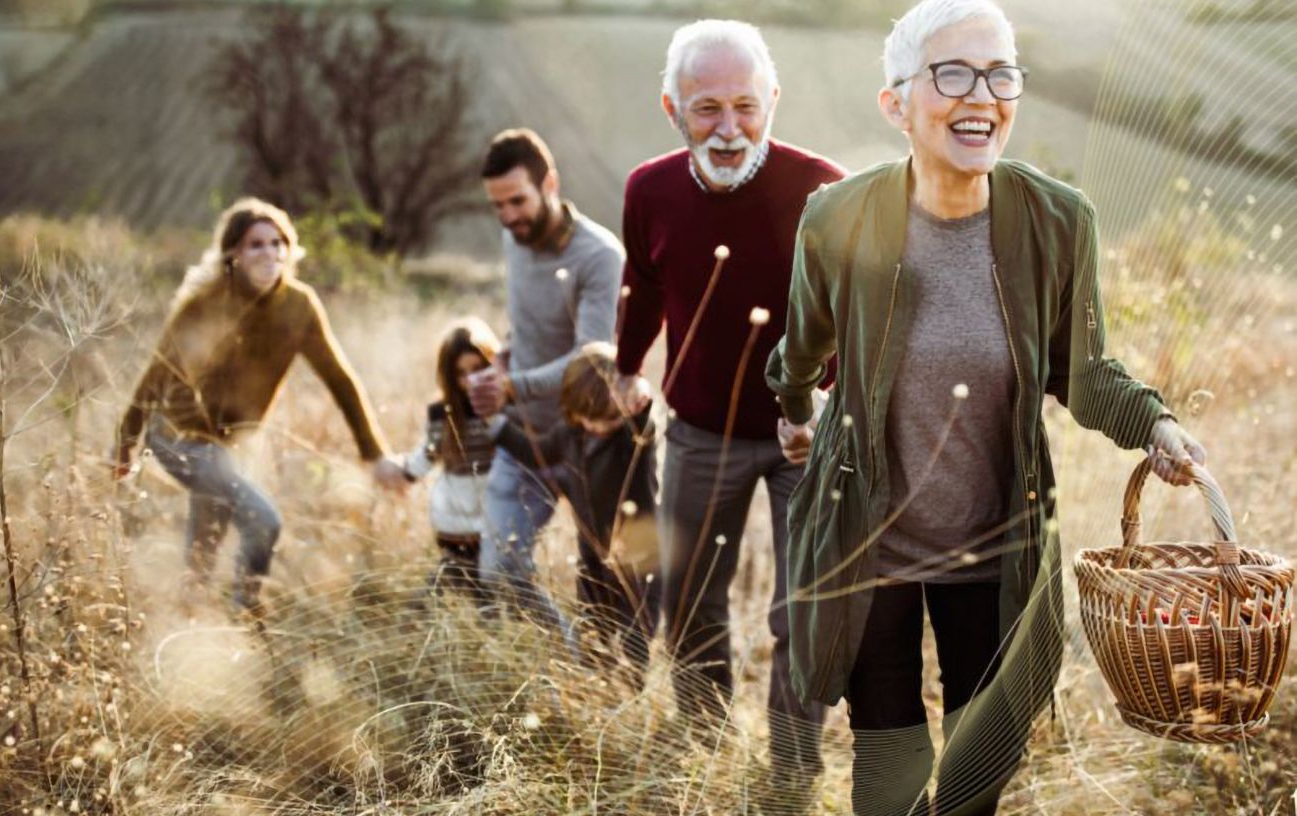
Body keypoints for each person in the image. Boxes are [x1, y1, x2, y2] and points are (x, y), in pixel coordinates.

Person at [765, 1, 1208, 813]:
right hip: (872, 540)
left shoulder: (1059, 222)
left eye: (1001, 73)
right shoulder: (838, 217)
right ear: (896, 103)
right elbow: (803, 347)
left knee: (978, 773)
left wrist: (1156, 424)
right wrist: (794, 410)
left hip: (994, 540)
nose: (982, 94)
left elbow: (1084, 370)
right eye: (953, 73)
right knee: (889, 766)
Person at [613, 18, 844, 793]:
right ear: (670, 107)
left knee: (802, 613)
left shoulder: (821, 188)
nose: (729, 126)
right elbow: (643, 288)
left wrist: (823, 404)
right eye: (706, 107)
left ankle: (791, 776)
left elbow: (853, 314)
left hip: (802, 438)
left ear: (773, 99)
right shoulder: (649, 190)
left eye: (746, 104)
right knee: (690, 603)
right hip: (700, 431)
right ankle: (705, 751)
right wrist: (624, 368)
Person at [112, 197, 404, 614]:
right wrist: (124, 444)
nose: (271, 253)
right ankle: (244, 612)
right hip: (180, 437)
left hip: (226, 447)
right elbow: (154, 376)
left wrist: (373, 454)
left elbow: (340, 380)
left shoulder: (299, 307)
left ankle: (187, 625)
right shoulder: (205, 304)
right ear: (234, 253)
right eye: (257, 245)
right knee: (263, 520)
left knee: (203, 550)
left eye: (278, 243)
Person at [469, 128, 625, 638]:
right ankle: (567, 654)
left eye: (518, 201)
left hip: (585, 442)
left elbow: (591, 359)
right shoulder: (512, 240)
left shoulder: (599, 256)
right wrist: (501, 364)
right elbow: (523, 324)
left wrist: (511, 385)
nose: (509, 216)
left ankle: (600, 682)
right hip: (523, 439)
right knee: (500, 572)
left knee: (607, 585)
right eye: (498, 206)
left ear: (550, 184)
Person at [488, 342, 661, 687]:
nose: (597, 428)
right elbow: (537, 453)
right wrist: (496, 426)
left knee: (632, 642)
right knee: (593, 633)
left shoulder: (631, 439)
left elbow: (646, 425)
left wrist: (640, 399)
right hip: (592, 556)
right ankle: (595, 694)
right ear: (572, 409)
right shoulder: (571, 434)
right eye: (589, 420)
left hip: (638, 561)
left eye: (608, 421)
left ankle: (625, 704)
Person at [397, 317, 501, 600]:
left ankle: (482, 630)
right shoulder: (442, 414)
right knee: (456, 576)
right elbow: (427, 453)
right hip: (454, 515)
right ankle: (420, 616)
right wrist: (405, 473)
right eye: (461, 373)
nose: (470, 380)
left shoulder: (502, 408)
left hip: (493, 513)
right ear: (450, 375)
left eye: (478, 369)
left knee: (489, 583)